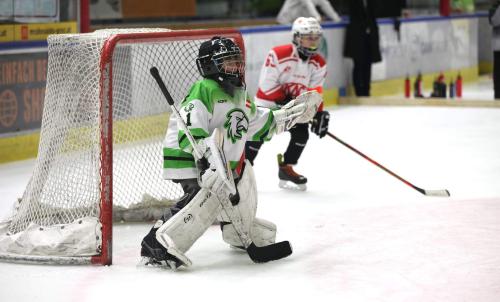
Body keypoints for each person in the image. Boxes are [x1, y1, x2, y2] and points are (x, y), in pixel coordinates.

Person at [140, 37, 322, 269]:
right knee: (201, 196)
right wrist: (206, 156)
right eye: (228, 62)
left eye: (237, 62)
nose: (235, 67)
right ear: (210, 65)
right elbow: (191, 129)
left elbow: (254, 122)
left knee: (238, 187)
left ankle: (237, 232)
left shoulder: (239, 92)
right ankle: (155, 243)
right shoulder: (204, 90)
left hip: (222, 158)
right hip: (188, 153)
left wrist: (286, 116)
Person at [244, 17, 330, 191]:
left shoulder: (319, 63)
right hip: (267, 104)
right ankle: (242, 171)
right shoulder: (278, 54)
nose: (313, 41)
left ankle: (286, 168)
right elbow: (266, 87)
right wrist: (289, 102)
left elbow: (315, 92)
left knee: (301, 135)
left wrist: (318, 112)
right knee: (256, 138)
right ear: (297, 37)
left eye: (316, 37)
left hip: (294, 108)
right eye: (309, 36)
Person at [343, 0, 382, 97]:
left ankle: (367, 90)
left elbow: (376, 12)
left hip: (370, 36)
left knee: (368, 64)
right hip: (357, 36)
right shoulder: (354, 2)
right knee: (358, 64)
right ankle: (359, 91)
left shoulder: (371, 2)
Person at [276, 0, 342, 24]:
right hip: (285, 21)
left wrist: (337, 19)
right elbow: (307, 3)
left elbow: (325, 3)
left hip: (299, 22)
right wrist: (317, 17)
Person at [490, 0, 500, 99]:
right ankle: (497, 93)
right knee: (497, 72)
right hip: (498, 46)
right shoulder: (495, 8)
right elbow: (494, 21)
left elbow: (494, 21)